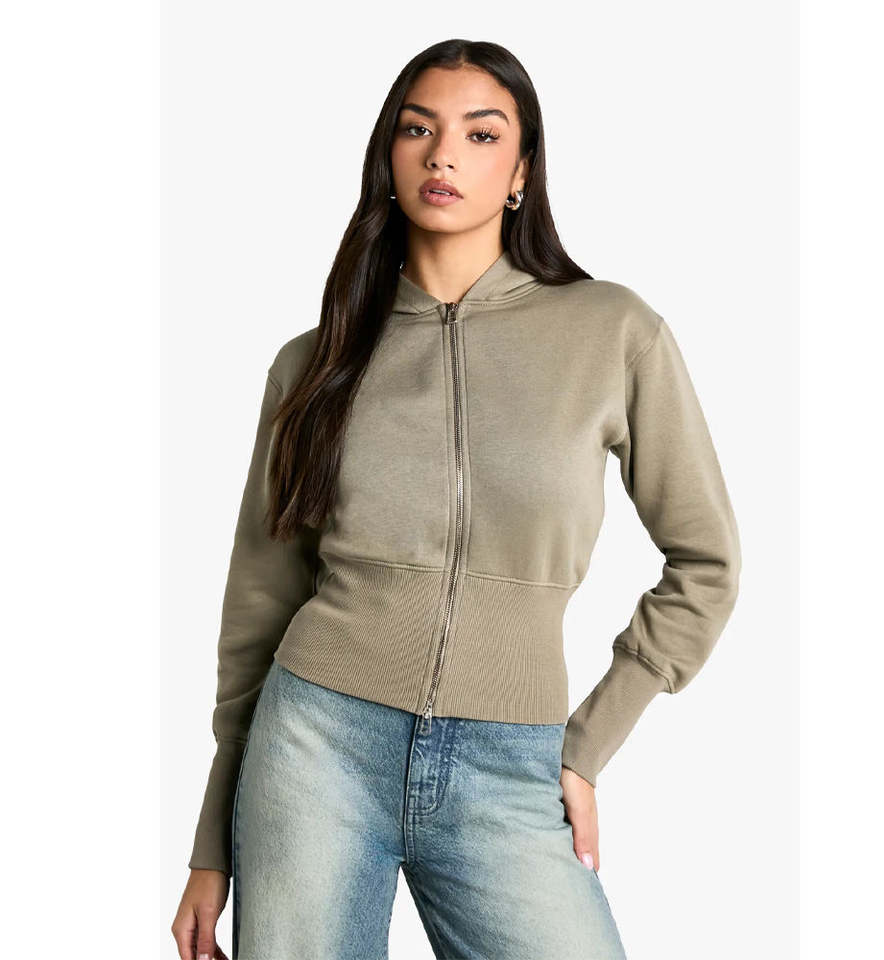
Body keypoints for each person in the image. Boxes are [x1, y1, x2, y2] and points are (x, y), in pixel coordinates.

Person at [171, 38, 741, 960]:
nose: (444, 155)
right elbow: (258, 608)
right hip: (315, 746)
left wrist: (585, 747)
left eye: (481, 135)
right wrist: (212, 844)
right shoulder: (313, 364)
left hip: (511, 766)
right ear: (388, 158)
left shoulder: (612, 332)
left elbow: (707, 561)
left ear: (521, 172)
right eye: (418, 130)